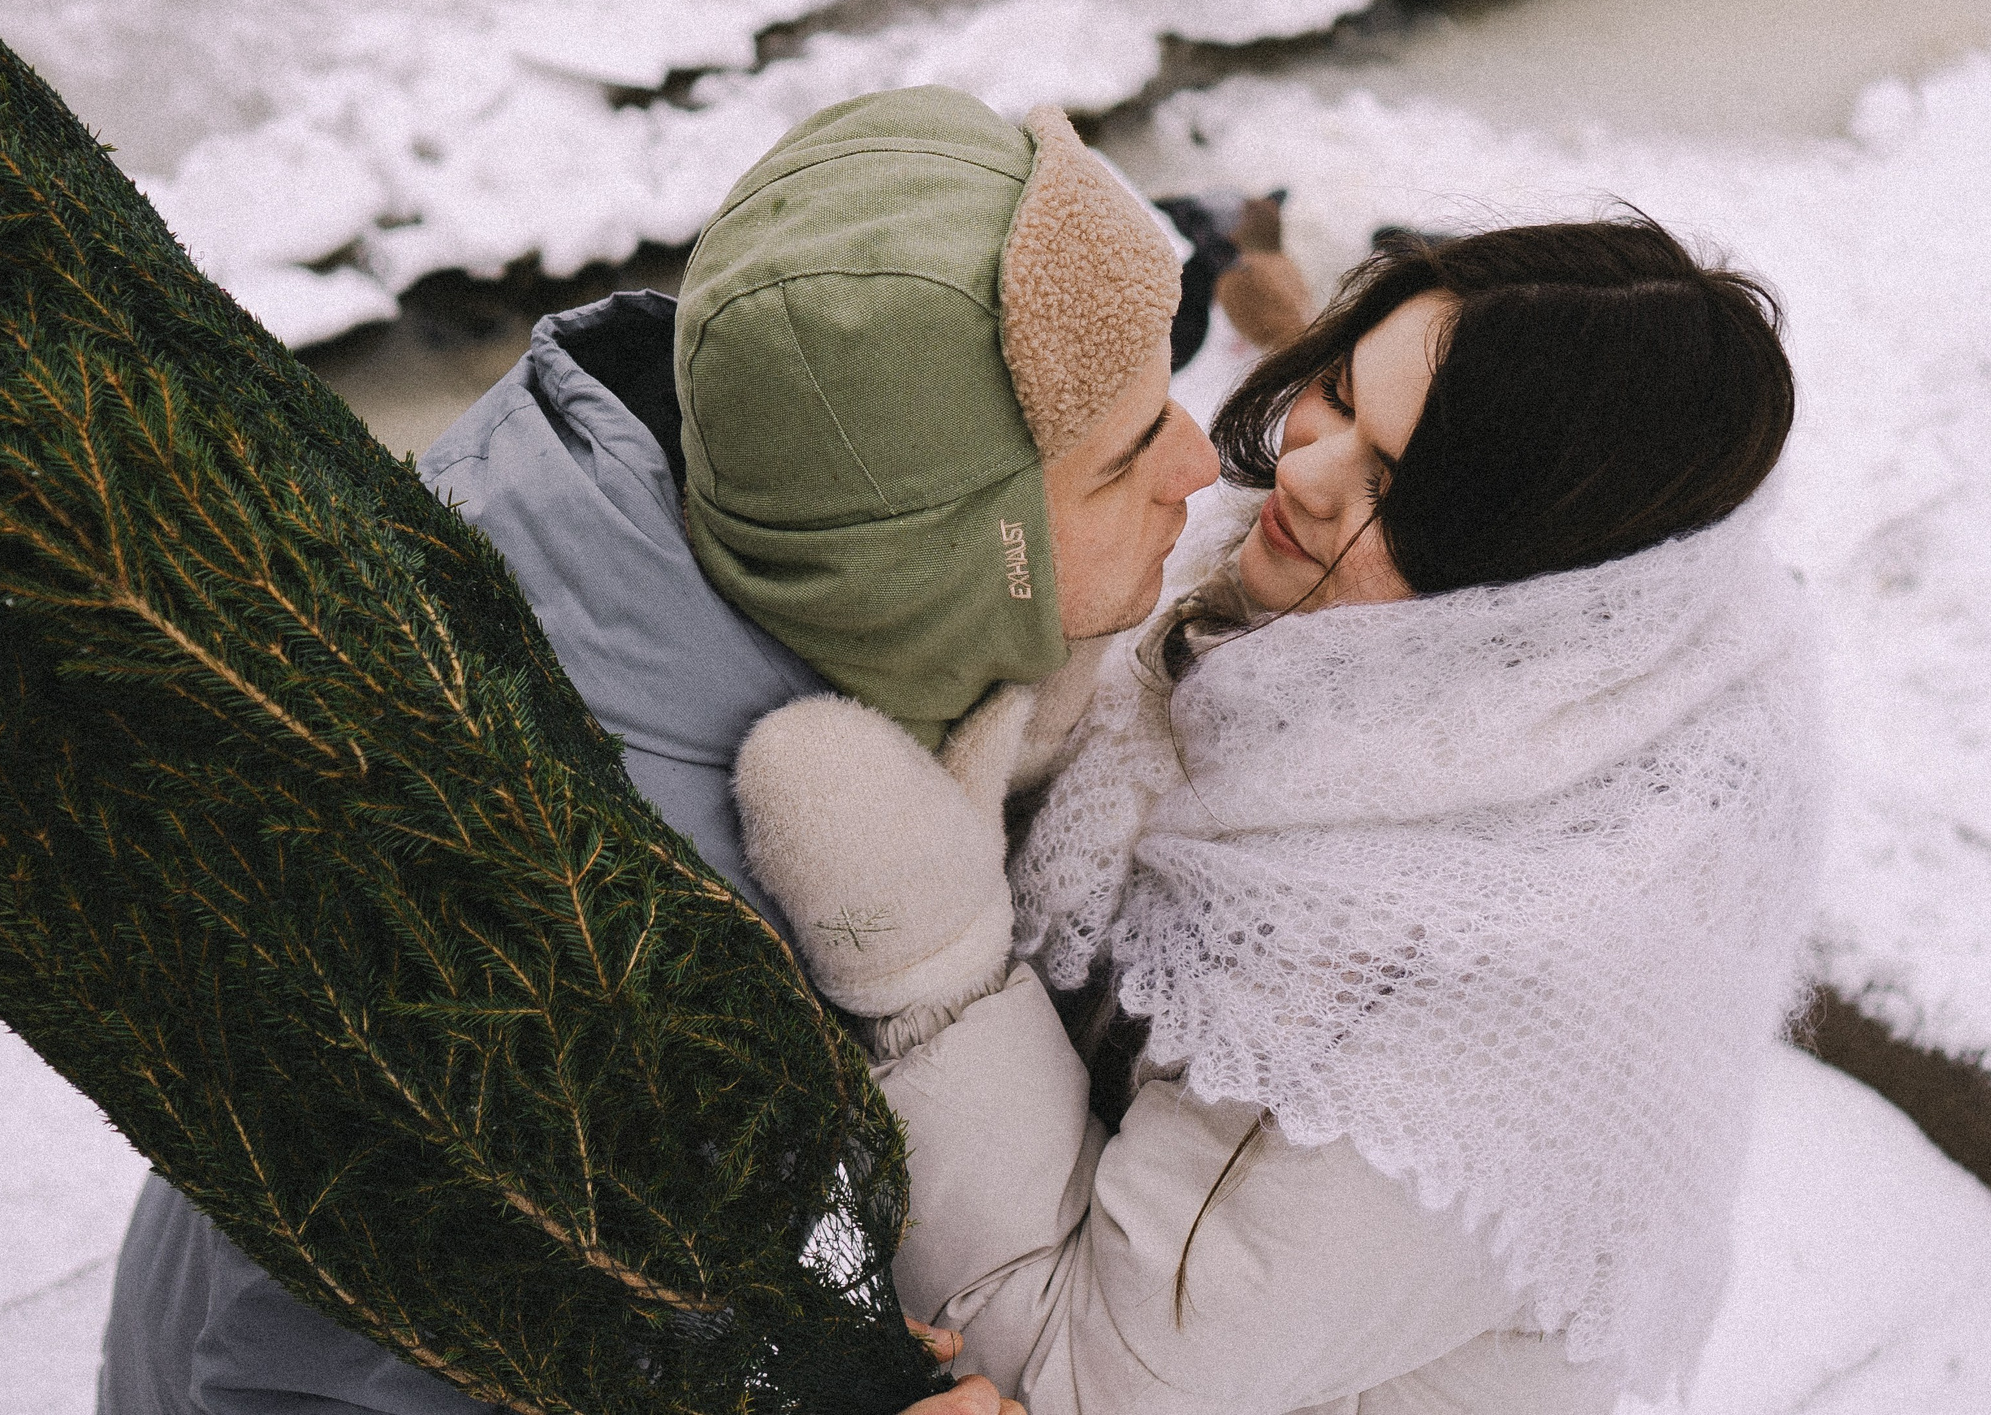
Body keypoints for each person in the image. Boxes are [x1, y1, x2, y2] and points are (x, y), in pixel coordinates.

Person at [94, 85, 1218, 1415]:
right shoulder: (581, 931)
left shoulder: (684, 530)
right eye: (1124, 458)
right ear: (938, 564)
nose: (1201, 462)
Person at [733, 217, 1824, 1414]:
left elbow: (1086, 1377)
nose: (1298, 469)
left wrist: (927, 954)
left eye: (1391, 481)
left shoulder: (1416, 991)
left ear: (1530, 575)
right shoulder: (1476, 647)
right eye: (1340, 393)